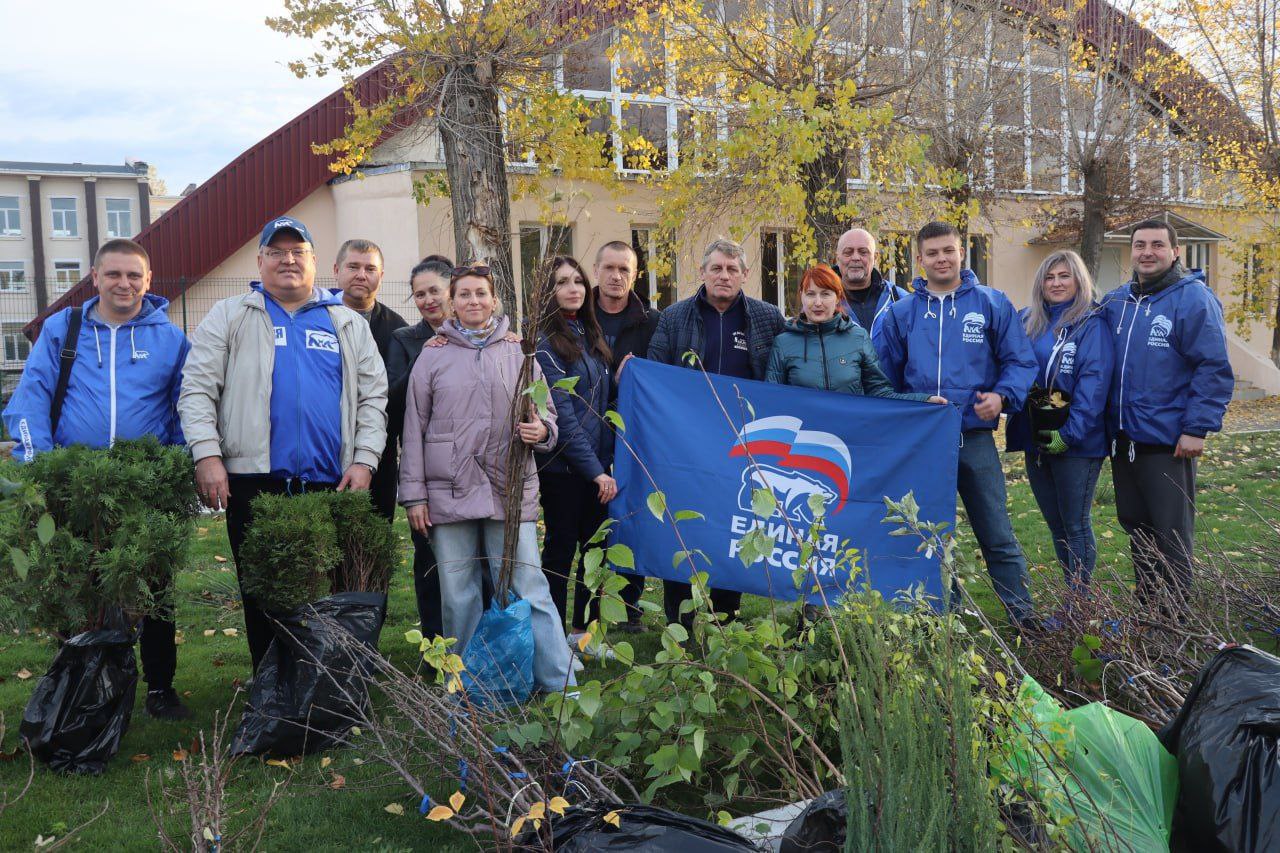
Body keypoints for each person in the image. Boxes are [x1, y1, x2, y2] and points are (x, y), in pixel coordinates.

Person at [178, 216, 388, 672]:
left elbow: (374, 397)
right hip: (254, 482)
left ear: (315, 262)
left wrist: (365, 461)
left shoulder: (347, 322)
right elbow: (197, 388)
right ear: (260, 261)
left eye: (298, 252)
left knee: (326, 590)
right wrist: (208, 455)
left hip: (330, 483)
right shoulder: (230, 314)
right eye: (277, 252)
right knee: (261, 591)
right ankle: (270, 687)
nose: (288, 260)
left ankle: (320, 686)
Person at [3, 238, 192, 719]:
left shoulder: (169, 338)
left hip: (145, 486)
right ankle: (84, 679)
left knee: (155, 587)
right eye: (114, 274)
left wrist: (179, 465)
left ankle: (160, 687)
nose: (124, 283)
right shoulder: (62, 329)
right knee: (82, 585)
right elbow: (31, 399)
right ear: (94, 277)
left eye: (134, 275)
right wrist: (40, 469)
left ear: (148, 281)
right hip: (77, 485)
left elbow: (186, 410)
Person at [399, 263, 575, 693]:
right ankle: (465, 686)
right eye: (464, 295)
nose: (473, 301)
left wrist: (542, 431)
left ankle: (559, 681)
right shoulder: (433, 355)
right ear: (452, 303)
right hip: (448, 492)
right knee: (458, 596)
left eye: (481, 293)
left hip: (507, 489)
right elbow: (414, 429)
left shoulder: (520, 352)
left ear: (495, 300)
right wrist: (414, 497)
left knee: (528, 585)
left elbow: (547, 415)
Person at [875, 221, 1040, 626]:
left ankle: (1024, 619)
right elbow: (882, 380)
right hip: (924, 445)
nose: (941, 258)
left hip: (975, 439)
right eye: (932, 253)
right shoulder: (902, 314)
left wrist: (1002, 397)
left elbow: (1021, 361)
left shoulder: (990, 303)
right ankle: (940, 618)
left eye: (948, 250)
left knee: (996, 533)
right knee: (930, 537)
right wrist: (912, 408)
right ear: (919, 259)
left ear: (961, 252)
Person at [648, 239, 785, 628]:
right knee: (684, 528)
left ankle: (726, 617)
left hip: (743, 449)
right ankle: (680, 621)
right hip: (687, 448)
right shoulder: (674, 318)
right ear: (702, 273)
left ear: (744, 275)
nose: (724, 276)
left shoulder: (767, 318)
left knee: (733, 528)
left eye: (731, 269)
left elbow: (783, 372)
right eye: (716, 269)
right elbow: (655, 372)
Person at [1099, 219, 1233, 609]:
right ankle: (1148, 610)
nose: (1147, 252)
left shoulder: (1192, 299)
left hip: (1168, 442)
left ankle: (1175, 619)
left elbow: (1213, 367)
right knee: (1138, 531)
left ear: (1176, 251)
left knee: (1170, 535)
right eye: (1140, 245)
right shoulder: (1117, 302)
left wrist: (1197, 428)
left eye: (1157, 244)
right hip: (1125, 440)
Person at [1005, 250, 1113, 592]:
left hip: (1077, 443)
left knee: (1076, 525)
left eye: (1064, 276)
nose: (1056, 283)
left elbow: (1094, 384)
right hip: (1038, 440)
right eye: (1049, 277)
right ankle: (1073, 600)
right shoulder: (1029, 322)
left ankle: (1080, 606)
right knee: (1056, 526)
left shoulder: (1092, 324)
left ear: (1078, 280)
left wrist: (1069, 434)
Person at [535, 257, 616, 648]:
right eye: (562, 282)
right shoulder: (544, 343)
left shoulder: (589, 333)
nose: (573, 288)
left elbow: (600, 402)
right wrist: (595, 471)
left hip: (597, 468)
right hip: (563, 470)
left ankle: (585, 635)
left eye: (578, 281)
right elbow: (564, 418)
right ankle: (551, 637)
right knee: (561, 553)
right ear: (547, 292)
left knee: (596, 552)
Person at [591, 239, 659, 631]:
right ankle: (589, 606)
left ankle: (629, 603)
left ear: (635, 276)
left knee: (631, 513)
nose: (616, 277)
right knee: (592, 520)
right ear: (597, 270)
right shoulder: (580, 317)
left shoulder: (651, 321)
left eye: (624, 270)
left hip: (635, 434)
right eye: (610, 268)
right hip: (587, 430)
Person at [386, 254, 453, 640]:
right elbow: (394, 402)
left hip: (474, 467)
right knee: (430, 560)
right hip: (425, 468)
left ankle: (480, 647)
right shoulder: (405, 340)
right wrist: (429, 352)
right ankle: (435, 644)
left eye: (434, 291)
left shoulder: (479, 332)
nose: (427, 300)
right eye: (419, 295)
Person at [766, 263, 945, 404]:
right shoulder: (783, 343)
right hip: (804, 443)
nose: (818, 302)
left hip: (850, 441)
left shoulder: (857, 337)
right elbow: (772, 399)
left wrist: (924, 401)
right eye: (811, 294)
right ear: (802, 296)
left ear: (838, 297)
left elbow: (879, 393)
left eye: (826, 294)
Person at [333, 239, 408, 522]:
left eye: (370, 268)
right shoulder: (318, 319)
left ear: (381, 276)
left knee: (373, 539)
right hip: (326, 446)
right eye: (353, 266)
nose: (361, 275)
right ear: (337, 269)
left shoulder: (397, 329)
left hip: (379, 453)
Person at [832, 228, 908, 338]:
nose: (856, 258)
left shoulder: (898, 299)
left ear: (875, 257)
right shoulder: (819, 301)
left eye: (863, 252)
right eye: (848, 252)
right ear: (837, 258)